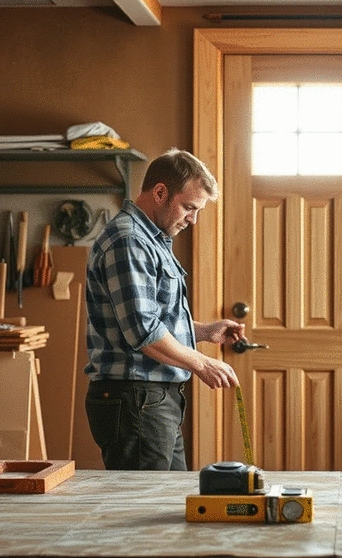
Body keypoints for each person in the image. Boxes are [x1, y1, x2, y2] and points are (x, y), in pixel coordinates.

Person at [84, 148, 241, 470]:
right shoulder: (129, 241)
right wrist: (201, 363)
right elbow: (143, 331)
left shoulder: (152, 240)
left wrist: (204, 331)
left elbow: (152, 319)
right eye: (189, 207)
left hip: (151, 399)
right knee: (145, 510)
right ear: (159, 192)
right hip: (135, 400)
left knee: (167, 502)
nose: (193, 219)